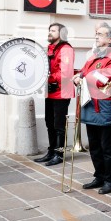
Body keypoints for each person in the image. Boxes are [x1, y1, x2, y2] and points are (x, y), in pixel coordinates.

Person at [74, 25, 111, 195]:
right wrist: (79, 76)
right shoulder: (95, 54)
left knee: (107, 146)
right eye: (96, 34)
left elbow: (107, 77)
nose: (96, 37)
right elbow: (85, 71)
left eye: (100, 34)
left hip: (104, 105)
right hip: (90, 103)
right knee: (94, 145)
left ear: (110, 38)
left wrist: (84, 77)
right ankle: (99, 175)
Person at [34, 23, 75, 167]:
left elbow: (66, 72)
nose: (49, 33)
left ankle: (59, 153)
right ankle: (51, 151)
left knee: (59, 125)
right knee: (49, 122)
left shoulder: (66, 49)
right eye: (49, 30)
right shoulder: (50, 48)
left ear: (61, 33)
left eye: (53, 31)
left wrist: (47, 77)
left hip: (61, 92)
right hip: (50, 92)